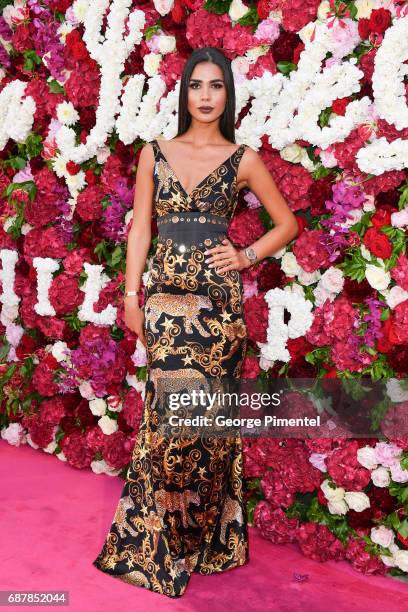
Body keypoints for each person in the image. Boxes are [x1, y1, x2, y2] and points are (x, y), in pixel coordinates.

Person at [92, 46, 298, 598]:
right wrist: (132, 295)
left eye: (216, 87)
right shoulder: (153, 153)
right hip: (161, 306)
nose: (205, 96)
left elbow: (287, 223)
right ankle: (156, 547)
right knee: (165, 423)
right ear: (183, 93)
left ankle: (206, 543)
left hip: (218, 311)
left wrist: (246, 256)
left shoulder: (244, 158)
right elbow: (140, 229)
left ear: (228, 95)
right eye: (196, 86)